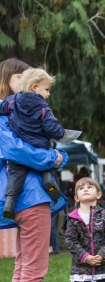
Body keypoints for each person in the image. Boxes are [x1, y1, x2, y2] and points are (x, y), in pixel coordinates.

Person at [0, 58, 68, 282]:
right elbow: (16, 150)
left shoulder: (14, 111)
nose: (26, 80)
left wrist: (57, 157)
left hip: (26, 197)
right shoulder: (6, 114)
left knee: (22, 267)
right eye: (21, 76)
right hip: (32, 197)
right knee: (33, 270)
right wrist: (55, 159)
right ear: (10, 80)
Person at [0, 68, 65, 220]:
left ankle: (9, 202)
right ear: (35, 87)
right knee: (46, 164)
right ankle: (48, 180)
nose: (48, 94)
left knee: (15, 176)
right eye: (47, 89)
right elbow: (51, 128)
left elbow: (2, 109)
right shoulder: (43, 107)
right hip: (40, 144)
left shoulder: (12, 100)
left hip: (21, 145)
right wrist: (61, 132)